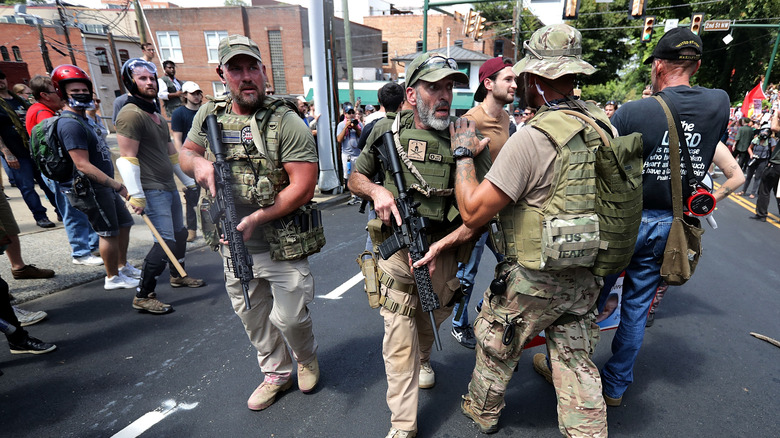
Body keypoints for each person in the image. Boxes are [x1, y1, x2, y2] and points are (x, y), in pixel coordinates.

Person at [454, 24, 608, 436]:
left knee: (495, 345)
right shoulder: (601, 125)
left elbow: (473, 212)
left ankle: (482, 413)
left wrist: (463, 156)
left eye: (524, 77)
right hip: (586, 272)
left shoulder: (533, 139)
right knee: (575, 357)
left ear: (537, 82)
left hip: (534, 279)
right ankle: (588, 429)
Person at [591, 27, 744, 407]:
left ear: (658, 65)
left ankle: (572, 367)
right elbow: (719, 157)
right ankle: (615, 385)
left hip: (626, 221)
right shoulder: (719, 104)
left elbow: (606, 171)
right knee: (637, 308)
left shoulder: (632, 112)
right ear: (698, 65)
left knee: (591, 295)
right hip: (670, 225)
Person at [348, 51, 489, 438]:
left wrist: (445, 245)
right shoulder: (385, 132)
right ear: (411, 94)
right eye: (433, 88)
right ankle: (403, 425)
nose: (444, 96)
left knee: (433, 319)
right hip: (397, 254)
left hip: (443, 252)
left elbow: (486, 208)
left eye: (450, 87)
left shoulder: (468, 136)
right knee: (399, 340)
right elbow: (355, 178)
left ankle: (425, 356)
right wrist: (376, 190)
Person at [180, 34, 321, 411]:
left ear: (263, 71)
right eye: (235, 69)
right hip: (233, 244)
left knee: (290, 318)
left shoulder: (286, 120)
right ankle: (276, 372)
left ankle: (305, 357)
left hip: (281, 243)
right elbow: (186, 152)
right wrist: (200, 165)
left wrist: (259, 216)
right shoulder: (208, 114)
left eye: (251, 68)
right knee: (252, 315)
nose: (245, 77)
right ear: (222, 74)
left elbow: (304, 185)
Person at [115, 58, 204, 314]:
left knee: (178, 234)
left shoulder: (154, 115)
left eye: (152, 78)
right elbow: (127, 158)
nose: (150, 82)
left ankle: (178, 275)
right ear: (131, 82)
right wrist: (137, 196)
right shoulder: (130, 114)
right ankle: (143, 294)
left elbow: (172, 155)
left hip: (167, 186)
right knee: (163, 240)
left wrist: (187, 181)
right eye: (142, 78)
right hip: (150, 189)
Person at [51, 64, 141, 290]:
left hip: (105, 186)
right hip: (92, 188)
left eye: (84, 91)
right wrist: (117, 185)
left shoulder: (85, 120)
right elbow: (82, 164)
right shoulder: (69, 124)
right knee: (108, 232)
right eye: (74, 92)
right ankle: (112, 277)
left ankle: (122, 266)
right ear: (62, 94)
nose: (81, 95)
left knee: (124, 223)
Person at [451, 56, 516, 350]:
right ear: (488, 84)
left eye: (514, 80)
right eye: (508, 80)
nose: (515, 85)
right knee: (467, 273)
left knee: (513, 266)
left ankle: (484, 304)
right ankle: (458, 324)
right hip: (477, 210)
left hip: (502, 211)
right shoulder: (469, 119)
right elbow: (458, 168)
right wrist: (474, 149)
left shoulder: (506, 117)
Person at [25, 74, 102, 266]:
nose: (60, 96)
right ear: (44, 94)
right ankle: (80, 252)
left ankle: (92, 246)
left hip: (63, 170)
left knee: (83, 208)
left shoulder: (44, 110)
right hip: (62, 171)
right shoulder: (43, 113)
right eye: (56, 92)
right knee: (74, 210)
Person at [0, 69, 58, 228]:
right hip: (16, 153)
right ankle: (41, 216)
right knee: (27, 187)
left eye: (2, 77)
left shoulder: (18, 99)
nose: (1, 82)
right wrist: (7, 153)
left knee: (47, 182)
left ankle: (60, 210)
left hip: (33, 149)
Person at [170, 81, 204, 242]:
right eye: (193, 93)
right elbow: (177, 140)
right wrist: (183, 161)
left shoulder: (205, 111)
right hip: (190, 159)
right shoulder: (179, 113)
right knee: (192, 196)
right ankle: (192, 229)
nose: (196, 96)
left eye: (198, 93)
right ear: (184, 95)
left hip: (206, 158)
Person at [750, 110, 780, 222]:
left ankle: (761, 214)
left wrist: (776, 113)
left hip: (777, 164)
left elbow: (774, 128)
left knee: (765, 189)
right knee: (778, 190)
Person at [337, 103, 362, 204]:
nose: (351, 115)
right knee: (349, 176)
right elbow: (339, 139)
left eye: (352, 112)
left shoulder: (358, 124)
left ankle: (359, 195)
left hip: (357, 154)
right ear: (345, 114)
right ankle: (353, 195)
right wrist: (346, 127)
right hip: (347, 155)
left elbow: (362, 137)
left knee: (358, 175)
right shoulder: (341, 125)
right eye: (349, 113)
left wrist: (356, 128)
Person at [741, 127, 773, 198]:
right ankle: (743, 191)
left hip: (763, 160)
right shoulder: (756, 139)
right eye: (763, 131)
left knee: (757, 177)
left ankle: (753, 193)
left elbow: (772, 152)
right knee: (748, 176)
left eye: (766, 132)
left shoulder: (770, 141)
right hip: (754, 159)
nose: (763, 133)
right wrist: (751, 154)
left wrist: (770, 161)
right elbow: (749, 148)